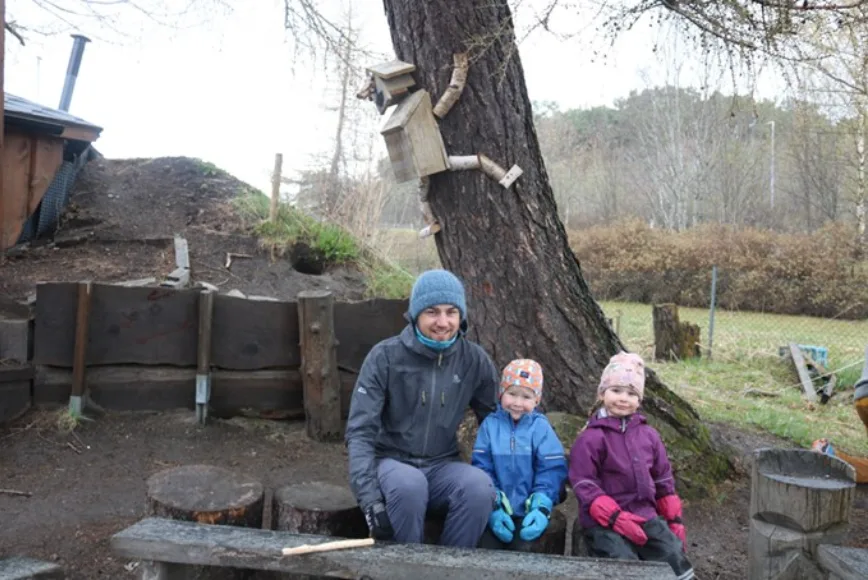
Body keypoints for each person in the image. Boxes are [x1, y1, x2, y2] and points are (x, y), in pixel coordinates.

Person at [345, 269, 499, 547]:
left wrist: (533, 472)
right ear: (415, 314)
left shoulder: (474, 360)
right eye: (432, 312)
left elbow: (498, 423)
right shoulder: (385, 357)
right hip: (391, 464)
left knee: (479, 487)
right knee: (409, 485)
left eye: (451, 312)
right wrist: (370, 501)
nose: (443, 322)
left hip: (442, 465)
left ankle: (451, 569)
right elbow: (360, 432)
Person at [569, 352, 695, 580]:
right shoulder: (591, 437)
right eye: (616, 391)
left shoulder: (649, 435)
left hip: (644, 514)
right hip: (603, 520)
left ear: (639, 400)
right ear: (602, 393)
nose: (623, 398)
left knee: (672, 552)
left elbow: (662, 477)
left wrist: (673, 518)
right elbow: (584, 482)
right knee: (622, 561)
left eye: (631, 393)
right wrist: (614, 516)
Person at [471, 359, 568, 551]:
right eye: (512, 394)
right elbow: (482, 467)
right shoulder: (490, 426)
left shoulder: (541, 428)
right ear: (501, 394)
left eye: (526, 397)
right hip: (499, 507)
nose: (517, 403)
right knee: (486, 547)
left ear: (536, 400)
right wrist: (494, 503)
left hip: (529, 508)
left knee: (524, 549)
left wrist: (541, 504)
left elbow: (551, 469)